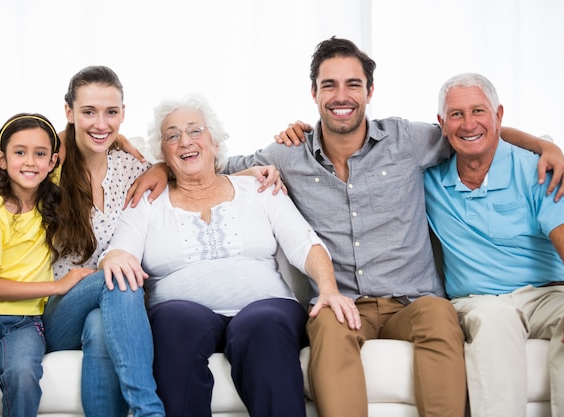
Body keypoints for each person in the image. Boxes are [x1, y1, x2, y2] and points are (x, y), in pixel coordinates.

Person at [224, 36, 564, 417]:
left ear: (370, 91)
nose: (342, 96)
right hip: (344, 302)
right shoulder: (288, 153)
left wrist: (545, 146)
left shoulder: (407, 141)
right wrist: (160, 167)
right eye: (329, 85)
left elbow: (474, 134)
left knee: (440, 317)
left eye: (353, 84)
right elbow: (211, 167)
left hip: (415, 301)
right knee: (327, 325)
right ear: (313, 93)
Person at [97, 94, 358, 417]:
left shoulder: (258, 188)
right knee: (172, 323)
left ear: (215, 142)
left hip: (266, 305)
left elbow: (306, 244)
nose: (185, 141)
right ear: (163, 153)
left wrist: (329, 289)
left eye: (195, 131)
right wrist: (118, 257)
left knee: (263, 326)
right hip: (181, 312)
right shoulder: (149, 200)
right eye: (172, 135)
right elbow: (118, 252)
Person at [0, 66, 166, 417]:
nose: (101, 124)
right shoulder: (47, 171)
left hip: (109, 313)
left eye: (111, 112)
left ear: (123, 113)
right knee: (120, 277)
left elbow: (202, 172)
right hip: (52, 312)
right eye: (88, 112)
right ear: (69, 113)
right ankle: (148, 410)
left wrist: (163, 168)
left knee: (101, 319)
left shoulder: (132, 168)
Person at [424, 72, 564, 417]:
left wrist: (548, 146)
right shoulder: (428, 179)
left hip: (548, 294)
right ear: (442, 123)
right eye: (456, 114)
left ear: (499, 116)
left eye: (478, 111)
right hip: (478, 301)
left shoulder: (538, 169)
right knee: (495, 316)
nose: (468, 123)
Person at [0, 113, 93, 417]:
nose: (30, 162)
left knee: (24, 380)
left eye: (40, 154)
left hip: (26, 324)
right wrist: (58, 286)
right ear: (1, 158)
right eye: (19, 153)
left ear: (53, 162)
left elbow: (72, 136)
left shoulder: (50, 193)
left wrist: (124, 139)